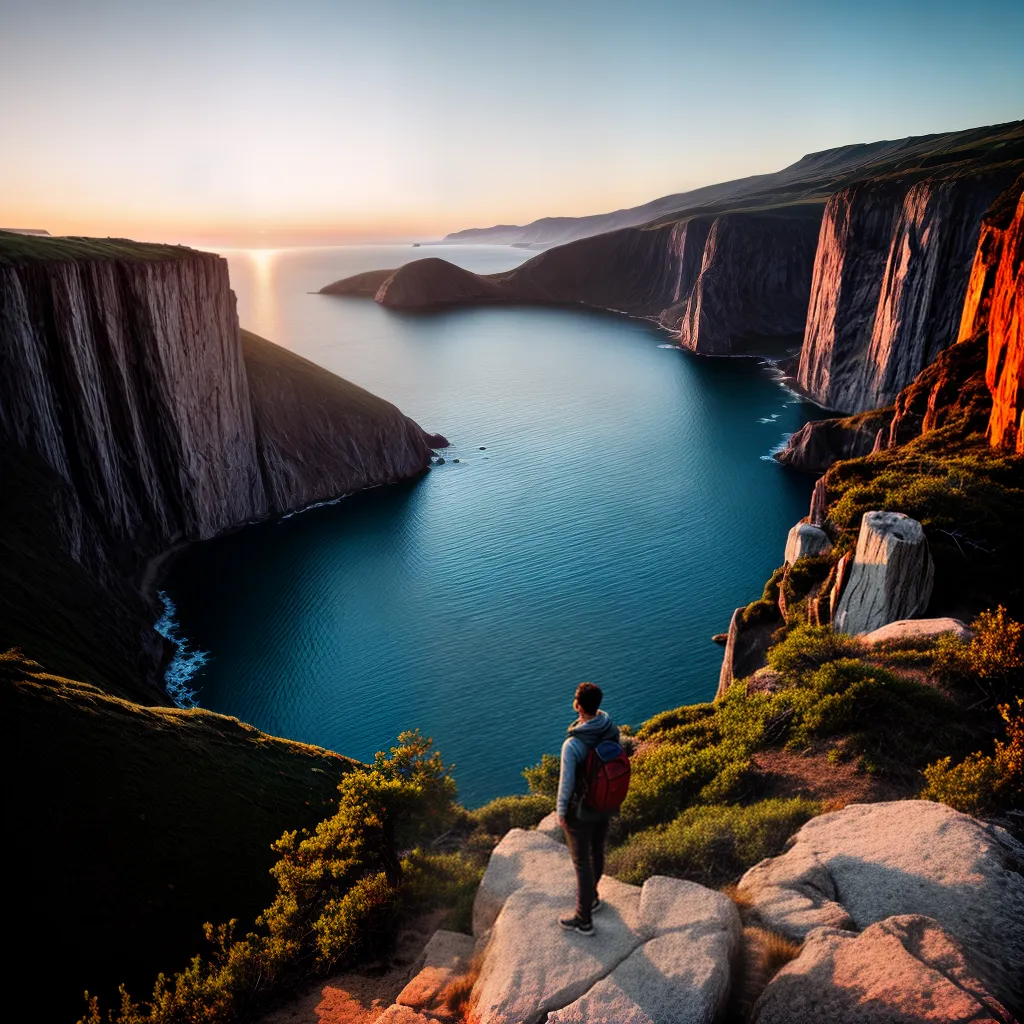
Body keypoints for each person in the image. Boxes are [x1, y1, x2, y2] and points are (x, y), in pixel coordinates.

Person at [556, 681, 619, 936]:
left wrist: (561, 811)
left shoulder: (573, 745)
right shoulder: (610, 728)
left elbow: (567, 782)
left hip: (581, 810)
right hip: (606, 801)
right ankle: (592, 899)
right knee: (597, 851)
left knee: (582, 862)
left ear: (578, 706)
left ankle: (584, 920)